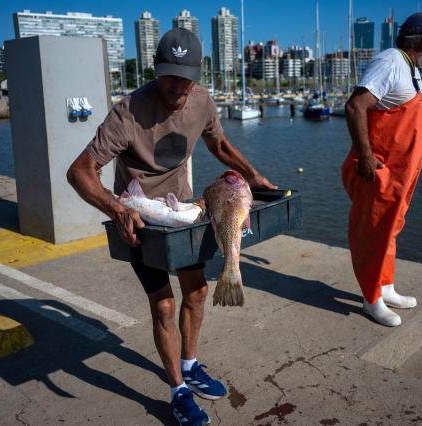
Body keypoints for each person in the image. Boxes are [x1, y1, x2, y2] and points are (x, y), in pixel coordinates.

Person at [67, 28, 276, 425]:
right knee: (163, 304)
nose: (178, 85)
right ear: (155, 69)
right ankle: (178, 390)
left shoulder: (201, 101)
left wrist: (253, 175)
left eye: (186, 75)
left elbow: (219, 144)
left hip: (182, 213)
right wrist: (117, 209)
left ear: (198, 73)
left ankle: (191, 364)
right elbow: (79, 172)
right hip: (139, 220)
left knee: (196, 293)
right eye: (169, 75)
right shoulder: (128, 113)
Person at [342, 13, 422, 327]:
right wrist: (364, 156)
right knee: (373, 232)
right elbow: (355, 106)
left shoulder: (410, 67)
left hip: (403, 174)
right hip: (380, 170)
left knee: (391, 229)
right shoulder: (390, 62)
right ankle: (371, 298)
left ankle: (386, 286)